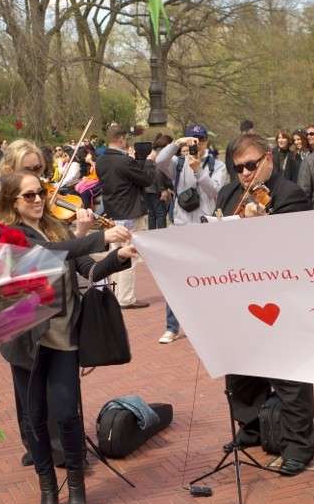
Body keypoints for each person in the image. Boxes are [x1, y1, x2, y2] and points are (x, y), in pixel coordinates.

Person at [0, 172, 133, 504]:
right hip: (29, 341)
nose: (39, 199)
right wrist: (99, 235)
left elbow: (86, 267)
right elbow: (47, 255)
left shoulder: (56, 228)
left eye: (41, 193)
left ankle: (75, 485)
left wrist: (119, 255)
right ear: (13, 202)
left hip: (64, 337)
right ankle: (46, 488)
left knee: (68, 413)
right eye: (29, 196)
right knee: (36, 417)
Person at [215, 133, 314, 477]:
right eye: (238, 167)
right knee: (240, 372)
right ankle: (253, 427)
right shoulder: (228, 194)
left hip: (279, 296)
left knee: (288, 374)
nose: (245, 173)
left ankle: (298, 445)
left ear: (268, 159)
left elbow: (296, 247)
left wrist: (264, 228)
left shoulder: (290, 195)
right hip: (238, 295)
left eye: (251, 166)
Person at [155, 123, 230, 344]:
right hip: (181, 226)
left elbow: (215, 191)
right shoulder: (177, 163)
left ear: (206, 141)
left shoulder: (217, 165)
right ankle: (172, 327)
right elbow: (159, 162)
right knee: (175, 279)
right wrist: (176, 144)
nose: (195, 144)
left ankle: (208, 323)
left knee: (208, 278)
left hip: (205, 227)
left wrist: (198, 170)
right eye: (191, 140)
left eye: (199, 140)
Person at [95, 122, 156, 310]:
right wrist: (149, 162)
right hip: (129, 212)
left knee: (115, 254)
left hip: (113, 212)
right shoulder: (123, 161)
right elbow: (146, 179)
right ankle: (126, 297)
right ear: (121, 139)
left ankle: (115, 294)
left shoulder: (101, 161)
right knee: (129, 255)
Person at [144, 134, 174, 230]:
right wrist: (163, 189)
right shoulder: (159, 156)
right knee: (160, 214)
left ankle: (152, 235)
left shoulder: (149, 156)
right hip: (156, 189)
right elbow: (158, 172)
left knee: (152, 214)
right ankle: (162, 236)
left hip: (147, 189)